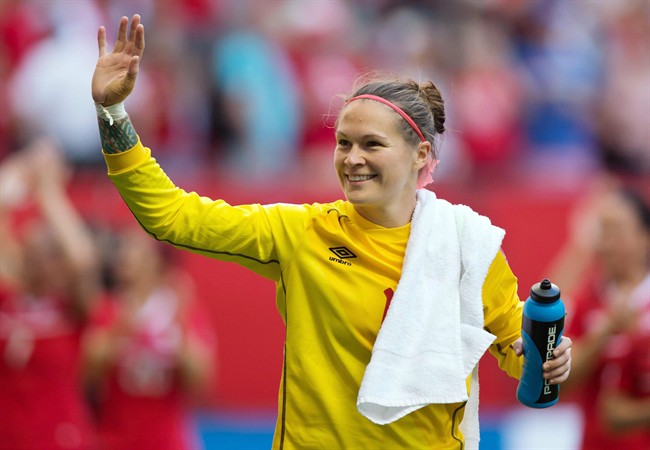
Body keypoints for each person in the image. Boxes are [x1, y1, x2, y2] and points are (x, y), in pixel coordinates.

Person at [90, 15, 572, 449]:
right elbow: (171, 215)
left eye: (371, 144)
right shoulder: (300, 232)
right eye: (343, 143)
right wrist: (113, 115)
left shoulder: (466, 245)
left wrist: (549, 362)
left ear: (421, 154)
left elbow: (518, 354)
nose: (352, 158)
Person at [0, 139, 100, 450]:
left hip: (61, 437)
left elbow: (83, 261)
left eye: (48, 253)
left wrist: (48, 191)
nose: (38, 260)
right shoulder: (7, 300)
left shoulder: (70, 307)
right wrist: (20, 171)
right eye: (31, 251)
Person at [82, 226, 215, 450]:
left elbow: (200, 379)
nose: (123, 254)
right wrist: (123, 327)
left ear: (156, 260)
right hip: (112, 438)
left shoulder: (181, 310)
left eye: (133, 247)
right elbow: (88, 372)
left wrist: (180, 324)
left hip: (167, 440)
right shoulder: (108, 309)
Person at [548, 183, 650, 449]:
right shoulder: (588, 300)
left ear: (644, 237)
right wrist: (606, 333)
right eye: (600, 232)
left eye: (615, 231)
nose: (605, 243)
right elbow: (559, 382)